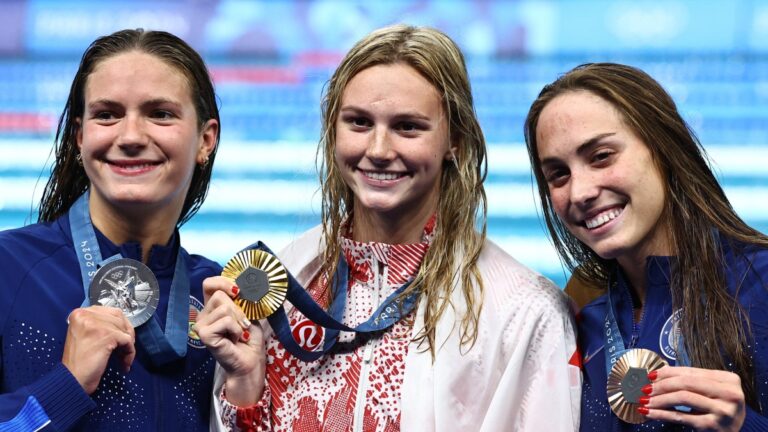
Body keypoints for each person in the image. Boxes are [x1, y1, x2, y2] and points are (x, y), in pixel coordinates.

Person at [194, 24, 580, 431]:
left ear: (457, 141)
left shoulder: (523, 311)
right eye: (359, 123)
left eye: (408, 127)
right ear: (332, 130)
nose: (378, 151)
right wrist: (244, 383)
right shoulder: (284, 287)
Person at [524, 62, 768, 431]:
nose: (580, 192)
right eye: (559, 174)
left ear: (664, 149)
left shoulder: (760, 283)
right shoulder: (579, 317)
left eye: (601, 156)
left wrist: (744, 426)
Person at [0, 29, 221, 430]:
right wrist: (65, 385)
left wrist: (244, 395)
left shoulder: (217, 295)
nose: (131, 136)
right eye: (107, 114)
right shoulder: (8, 269)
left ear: (206, 140)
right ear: (81, 137)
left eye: (160, 113)